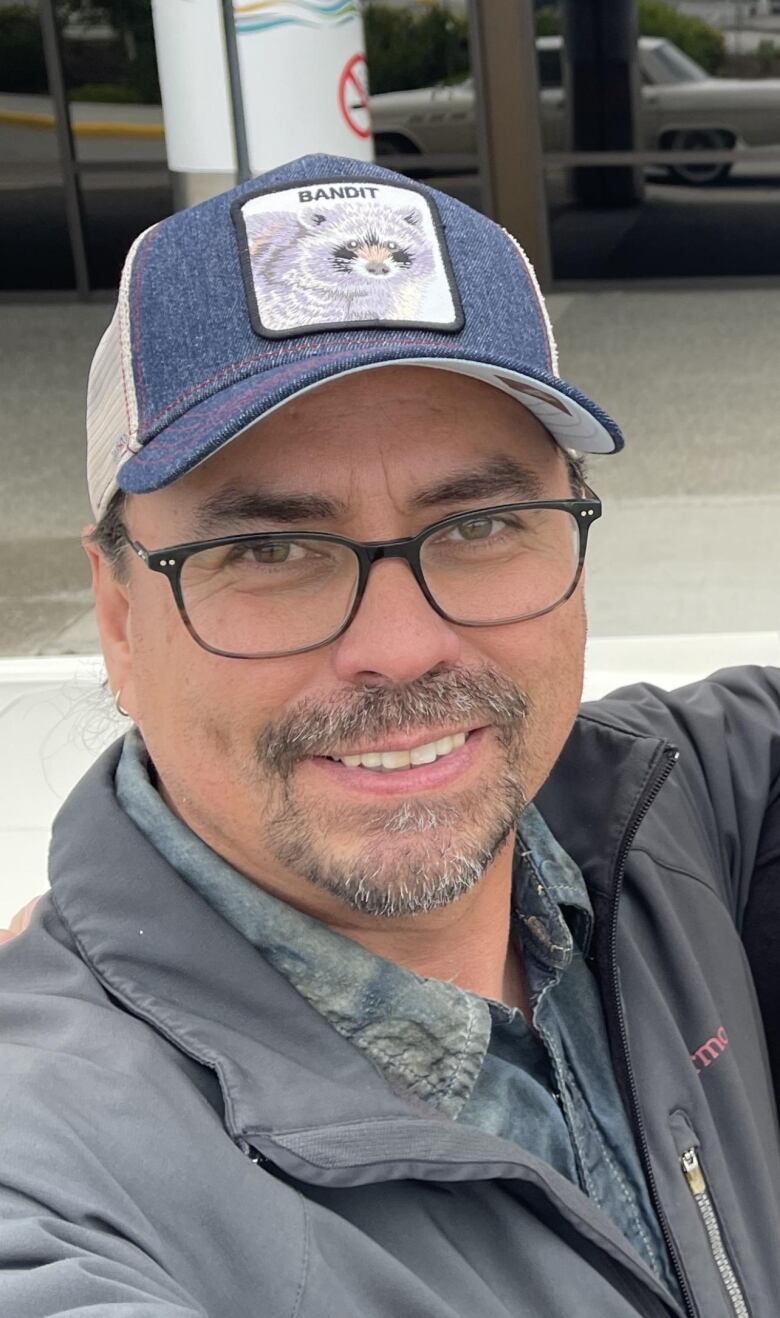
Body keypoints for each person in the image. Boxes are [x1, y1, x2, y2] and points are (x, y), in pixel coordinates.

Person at [0, 153, 778, 1318]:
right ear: (118, 612)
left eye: (484, 522)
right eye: (266, 550)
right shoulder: (55, 1169)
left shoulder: (688, 806)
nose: (405, 647)